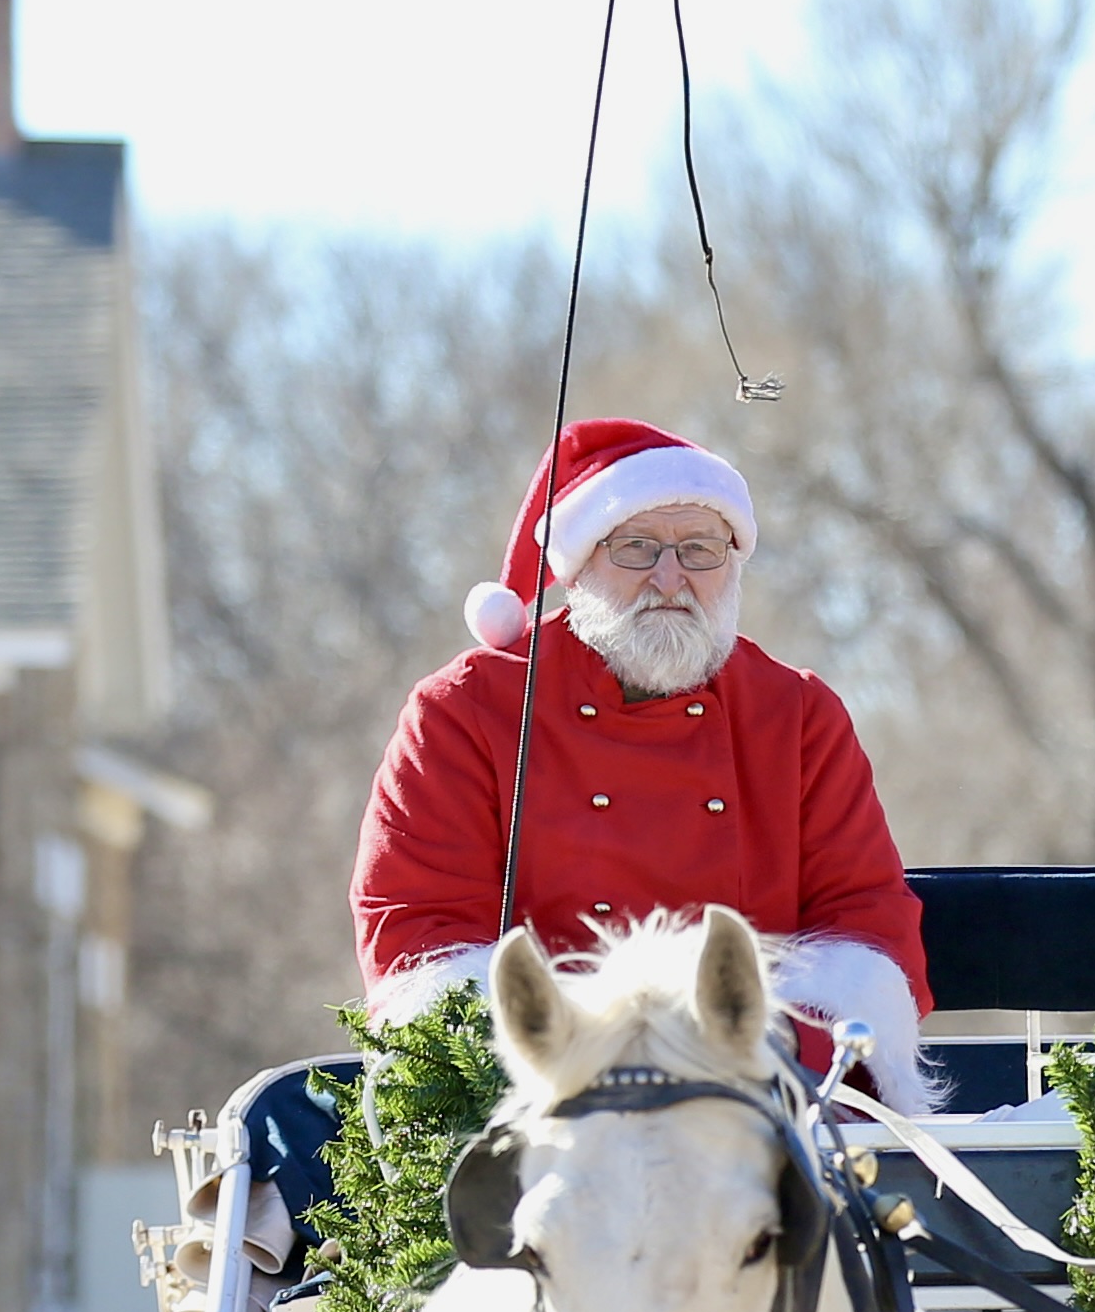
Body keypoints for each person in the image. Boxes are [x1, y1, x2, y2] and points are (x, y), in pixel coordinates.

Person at [349, 417, 937, 1103]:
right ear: (577, 565)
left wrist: (761, 1044)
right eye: (635, 548)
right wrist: (579, 1051)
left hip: (763, 1089)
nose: (670, 577)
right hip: (542, 1096)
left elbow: (864, 918)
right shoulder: (464, 711)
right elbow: (421, 932)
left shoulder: (798, 714)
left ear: (734, 563)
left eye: (700, 549)